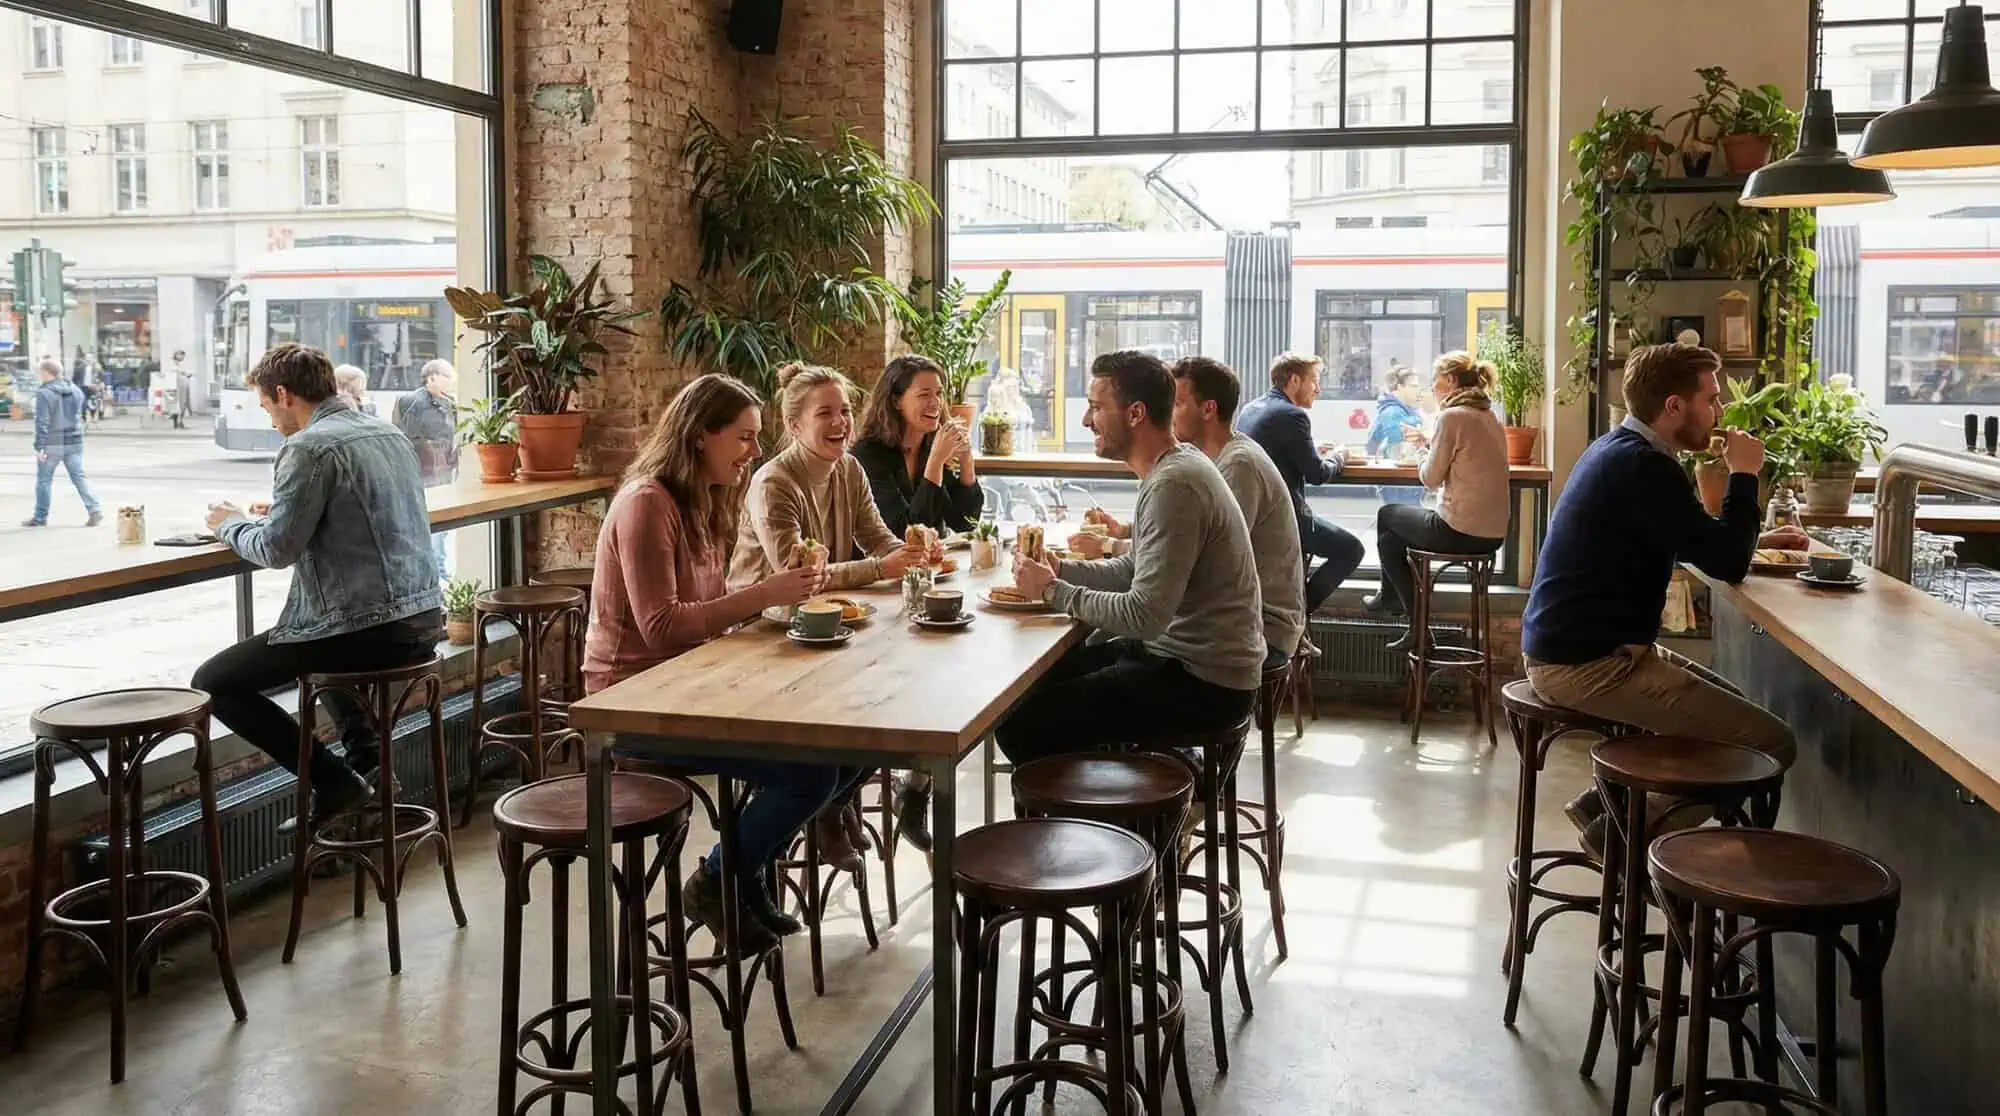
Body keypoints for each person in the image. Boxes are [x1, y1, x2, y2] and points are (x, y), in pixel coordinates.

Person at [585, 373, 857, 952]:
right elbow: (661, 628)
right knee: (811, 773)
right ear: (700, 437)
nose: (756, 452)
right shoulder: (645, 505)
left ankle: (740, 874)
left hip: (694, 686)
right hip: (631, 703)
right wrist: (768, 593)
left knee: (856, 747)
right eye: (744, 438)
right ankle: (720, 878)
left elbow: (709, 613)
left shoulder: (703, 501)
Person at [1522, 343, 1807, 856]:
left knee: (1735, 717)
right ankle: (1617, 834)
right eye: (1712, 400)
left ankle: (1602, 806)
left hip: (1585, 653)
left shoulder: (1620, 450)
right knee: (1768, 744)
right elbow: (1724, 563)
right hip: (1591, 667)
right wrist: (1744, 473)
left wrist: (1757, 540)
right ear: (1674, 407)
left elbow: (1690, 540)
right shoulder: (1648, 468)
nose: (1719, 413)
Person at [191, 344, 444, 831]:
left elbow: (276, 552)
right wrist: (283, 512)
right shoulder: (385, 432)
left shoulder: (306, 447)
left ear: (283, 394)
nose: (269, 421)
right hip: (422, 620)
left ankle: (335, 784)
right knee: (312, 642)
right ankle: (370, 766)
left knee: (214, 683)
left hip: (366, 632)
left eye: (266, 407)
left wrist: (229, 524)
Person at [997, 350, 1264, 765]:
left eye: (1096, 407)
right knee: (1028, 688)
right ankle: (1123, 805)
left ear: (1136, 413)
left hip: (1206, 683)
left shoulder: (1173, 486)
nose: (1087, 421)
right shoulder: (1174, 468)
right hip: (1188, 661)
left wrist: (1051, 590)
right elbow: (1134, 570)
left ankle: (1111, 822)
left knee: (1020, 723)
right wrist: (1063, 569)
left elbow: (1144, 617)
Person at [729, 361, 932, 868]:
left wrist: (912, 549)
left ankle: (831, 805)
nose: (841, 422)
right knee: (865, 714)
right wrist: (880, 566)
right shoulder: (773, 482)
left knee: (895, 707)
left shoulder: (848, 469)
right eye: (826, 413)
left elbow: (877, 536)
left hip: (827, 631)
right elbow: (795, 574)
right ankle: (812, 813)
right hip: (763, 640)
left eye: (844, 411)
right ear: (794, 426)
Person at [1072, 355, 1305, 668]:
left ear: (1207, 409)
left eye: (1176, 403)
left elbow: (1189, 557)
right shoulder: (1191, 463)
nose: (1167, 413)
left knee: (1050, 690)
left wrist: (1102, 550)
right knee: (1081, 656)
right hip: (1212, 634)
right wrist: (1125, 533)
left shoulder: (1235, 465)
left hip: (1259, 632)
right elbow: (1183, 544)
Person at [849, 354, 984, 852]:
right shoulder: (869, 456)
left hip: (922, 592)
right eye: (923, 394)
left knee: (953, 686)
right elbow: (902, 530)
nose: (935, 403)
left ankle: (917, 790)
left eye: (939, 392)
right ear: (895, 400)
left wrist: (964, 463)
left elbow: (964, 520)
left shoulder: (932, 445)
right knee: (927, 689)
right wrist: (932, 466)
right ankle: (854, 800)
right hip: (874, 596)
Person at [1366, 351, 1512, 651]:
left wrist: (1421, 452)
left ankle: (1405, 613)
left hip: (1458, 532)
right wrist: (1430, 443)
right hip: (1492, 537)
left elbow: (1430, 478)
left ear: (1450, 380)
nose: (1431, 387)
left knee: (1386, 516)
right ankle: (1408, 618)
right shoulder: (1488, 415)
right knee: (1392, 540)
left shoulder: (1451, 416)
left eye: (1435, 380)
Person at [1234, 351, 1365, 615]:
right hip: (1282, 521)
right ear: (1294, 380)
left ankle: (1289, 614)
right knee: (1351, 549)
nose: (1318, 388)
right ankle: (1298, 612)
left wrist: (1317, 450)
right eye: (1314, 380)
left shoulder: (1253, 407)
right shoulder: (1293, 415)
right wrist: (1340, 456)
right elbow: (1317, 475)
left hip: (1250, 518)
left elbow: (1277, 451)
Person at [391, 359, 456, 579]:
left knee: (442, 525)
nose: (452, 380)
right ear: (432, 378)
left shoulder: (450, 403)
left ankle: (437, 568)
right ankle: (435, 570)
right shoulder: (411, 402)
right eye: (447, 376)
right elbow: (402, 437)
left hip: (444, 472)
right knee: (430, 522)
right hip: (424, 472)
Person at [23, 357, 103, 528]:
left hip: (52, 442)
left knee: (44, 480)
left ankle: (40, 517)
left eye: (40, 372)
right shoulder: (74, 390)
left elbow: (42, 421)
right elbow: (79, 412)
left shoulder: (44, 393)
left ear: (46, 373)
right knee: (79, 478)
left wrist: (39, 445)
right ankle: (94, 509)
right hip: (75, 440)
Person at [1367, 364, 1427, 459]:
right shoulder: (1392, 413)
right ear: (1399, 387)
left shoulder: (1406, 411)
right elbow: (1396, 454)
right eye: (1414, 386)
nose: (1418, 391)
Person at [171, 350, 192, 429]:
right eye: (181, 355)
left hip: (183, 385)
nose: (182, 357)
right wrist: (185, 373)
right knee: (178, 404)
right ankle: (177, 421)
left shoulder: (183, 364)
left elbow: (186, 373)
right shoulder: (173, 364)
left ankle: (180, 421)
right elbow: (175, 373)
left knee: (183, 403)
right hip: (177, 386)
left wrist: (187, 374)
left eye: (183, 355)